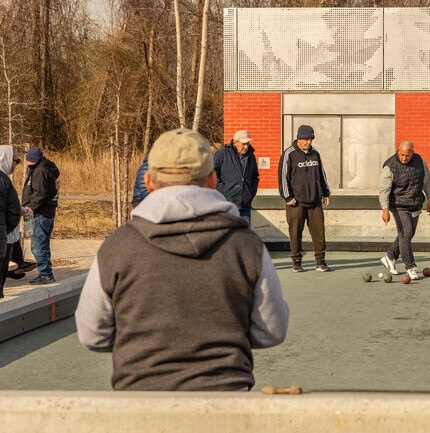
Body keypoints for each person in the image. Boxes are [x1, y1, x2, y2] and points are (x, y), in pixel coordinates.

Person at [75, 128, 289, 391]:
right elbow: (272, 330)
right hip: (225, 401)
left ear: (149, 182)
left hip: (140, 403)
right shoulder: (246, 245)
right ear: (212, 181)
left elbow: (92, 334)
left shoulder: (118, 246)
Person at [378, 140, 430, 280]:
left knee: (408, 235)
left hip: (415, 204)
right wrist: (385, 209)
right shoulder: (390, 166)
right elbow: (383, 190)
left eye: (407, 155)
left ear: (412, 152)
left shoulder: (420, 161)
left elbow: (427, 181)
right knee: (406, 233)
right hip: (398, 205)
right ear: (398, 151)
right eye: (401, 155)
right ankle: (410, 267)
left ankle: (390, 257)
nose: (404, 158)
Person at [278, 124, 331, 272]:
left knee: (319, 232)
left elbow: (322, 174)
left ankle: (320, 261)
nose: (309, 142)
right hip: (296, 202)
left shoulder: (315, 153)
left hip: (315, 201)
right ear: (299, 138)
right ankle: (296, 261)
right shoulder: (289, 154)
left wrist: (325, 192)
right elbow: (283, 178)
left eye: (311, 139)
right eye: (306, 139)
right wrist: (287, 196)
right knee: (295, 232)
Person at [22, 147, 60, 285]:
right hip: (46, 213)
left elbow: (40, 193)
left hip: (40, 213)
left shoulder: (40, 171)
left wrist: (31, 208)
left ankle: (45, 274)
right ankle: (46, 272)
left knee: (38, 245)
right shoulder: (46, 169)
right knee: (43, 244)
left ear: (31, 160)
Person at [213, 130, 260, 225]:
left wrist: (250, 192)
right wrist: (223, 190)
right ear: (235, 142)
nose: (246, 147)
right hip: (227, 203)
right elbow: (212, 173)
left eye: (248, 143)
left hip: (245, 205)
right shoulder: (222, 154)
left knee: (245, 236)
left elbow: (255, 176)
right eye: (243, 144)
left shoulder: (251, 156)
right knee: (228, 235)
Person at [0, 146, 22, 298]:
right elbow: (14, 210)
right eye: (16, 160)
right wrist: (5, 229)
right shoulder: (4, 180)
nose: (16, 164)